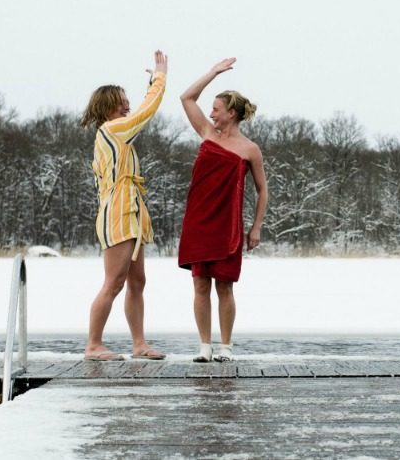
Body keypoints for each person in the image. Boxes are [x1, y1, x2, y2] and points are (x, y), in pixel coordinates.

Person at [79, 50, 168, 361]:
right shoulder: (112, 129)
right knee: (114, 281)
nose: (127, 106)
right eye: (121, 101)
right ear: (108, 107)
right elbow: (147, 112)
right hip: (118, 211)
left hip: (129, 209)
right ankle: (93, 345)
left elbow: (139, 111)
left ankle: (139, 344)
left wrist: (149, 85)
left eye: (127, 100)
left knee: (137, 280)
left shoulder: (115, 132)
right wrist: (159, 78)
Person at [178, 58, 268, 362]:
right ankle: (205, 346)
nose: (211, 113)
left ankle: (226, 347)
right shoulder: (207, 133)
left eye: (216, 108)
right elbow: (186, 98)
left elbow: (262, 190)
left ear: (231, 113)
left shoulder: (249, 149)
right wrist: (213, 72)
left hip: (227, 225)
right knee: (200, 284)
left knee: (225, 286)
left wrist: (255, 227)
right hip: (198, 221)